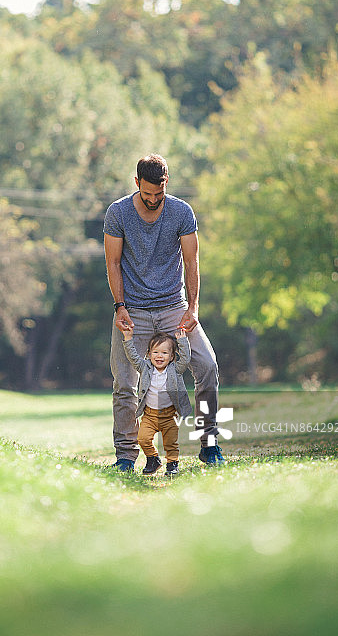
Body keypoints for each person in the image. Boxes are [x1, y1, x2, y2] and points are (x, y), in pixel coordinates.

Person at [104, 153, 223, 470]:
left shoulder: (181, 212)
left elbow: (192, 262)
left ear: (166, 183)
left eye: (159, 192)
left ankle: (209, 444)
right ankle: (126, 455)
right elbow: (112, 263)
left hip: (174, 306)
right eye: (148, 193)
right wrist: (120, 306)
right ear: (137, 183)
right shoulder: (118, 213)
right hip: (133, 310)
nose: (154, 199)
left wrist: (193, 308)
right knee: (124, 384)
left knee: (207, 366)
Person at [122, 325, 192, 476]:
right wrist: (128, 338)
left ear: (172, 357)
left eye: (164, 353)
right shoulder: (145, 368)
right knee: (142, 438)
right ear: (148, 354)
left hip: (169, 416)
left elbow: (186, 359)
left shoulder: (175, 370)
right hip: (150, 415)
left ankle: (172, 465)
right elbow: (133, 357)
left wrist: (182, 341)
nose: (159, 356)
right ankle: (153, 459)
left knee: (170, 443)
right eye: (155, 352)